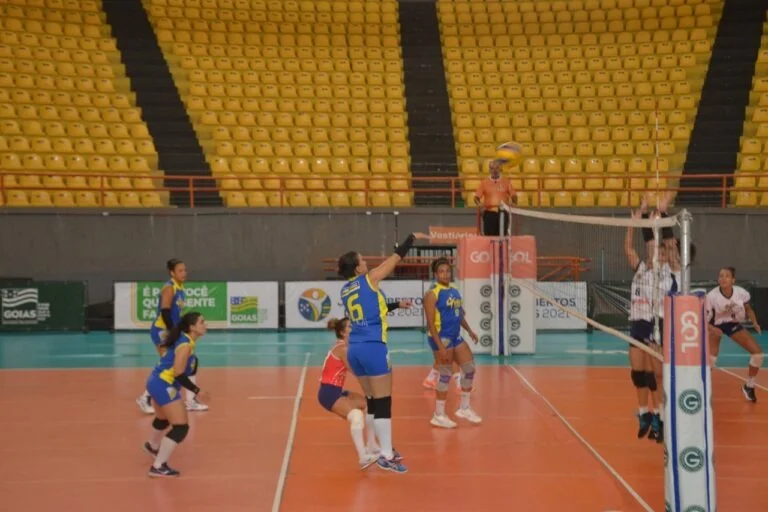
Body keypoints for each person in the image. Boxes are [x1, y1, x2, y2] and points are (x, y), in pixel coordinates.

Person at [337, 231, 429, 474]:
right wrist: (410, 239)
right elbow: (394, 259)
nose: (366, 263)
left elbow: (371, 310)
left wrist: (397, 305)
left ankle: (375, 446)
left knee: (372, 400)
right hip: (373, 346)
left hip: (354, 349)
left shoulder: (345, 291)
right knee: (384, 400)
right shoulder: (368, 279)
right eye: (362, 260)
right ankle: (386, 455)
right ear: (357, 268)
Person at [624, 209, 681, 443]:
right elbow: (628, 247)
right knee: (638, 374)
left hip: (655, 324)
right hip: (637, 325)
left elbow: (672, 249)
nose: (652, 252)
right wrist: (634, 223)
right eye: (650, 249)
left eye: (657, 251)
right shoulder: (640, 270)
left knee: (654, 374)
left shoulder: (669, 273)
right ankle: (644, 414)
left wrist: (662, 218)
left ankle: (660, 416)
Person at [143, 312, 210, 477]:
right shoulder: (185, 345)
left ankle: (152, 445)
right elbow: (179, 372)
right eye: (202, 322)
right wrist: (197, 391)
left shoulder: (187, 343)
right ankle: (158, 466)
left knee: (163, 419)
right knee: (180, 427)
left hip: (155, 381)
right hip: (163, 384)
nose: (205, 324)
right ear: (192, 327)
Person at [137, 259, 207, 414]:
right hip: (163, 330)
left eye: (185, 270)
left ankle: (189, 400)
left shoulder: (180, 288)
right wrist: (174, 334)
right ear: (172, 272)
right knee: (172, 364)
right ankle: (146, 397)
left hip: (172, 329)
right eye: (180, 270)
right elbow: (165, 312)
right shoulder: (169, 288)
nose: (184, 273)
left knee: (189, 360)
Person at [423, 257, 481, 428]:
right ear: (435, 274)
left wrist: (469, 331)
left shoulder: (455, 290)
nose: (445, 274)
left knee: (469, 368)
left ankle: (464, 408)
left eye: (448, 271)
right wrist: (440, 346)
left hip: (456, 336)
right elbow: (430, 323)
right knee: (446, 374)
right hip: (441, 337)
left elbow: (459, 315)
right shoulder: (432, 293)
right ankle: (438, 414)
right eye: (441, 271)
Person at [318, 317, 380, 470]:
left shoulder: (347, 346)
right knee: (356, 417)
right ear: (343, 332)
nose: (354, 328)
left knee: (369, 404)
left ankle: (371, 444)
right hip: (328, 393)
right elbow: (356, 371)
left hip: (337, 390)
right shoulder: (342, 349)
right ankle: (363, 457)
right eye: (350, 326)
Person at [707, 267, 763, 402]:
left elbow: (748, 308)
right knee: (711, 360)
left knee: (757, 354)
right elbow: (702, 320)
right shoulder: (711, 296)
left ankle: (749, 386)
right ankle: (701, 387)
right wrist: (712, 329)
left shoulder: (740, 292)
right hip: (714, 325)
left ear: (733, 280)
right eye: (721, 276)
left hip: (732, 324)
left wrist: (755, 322)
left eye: (727, 276)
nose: (723, 278)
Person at [473, 158, 516, 236]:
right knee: (489, 238)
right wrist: (480, 206)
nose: (495, 170)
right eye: (492, 168)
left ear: (500, 169)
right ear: (489, 170)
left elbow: (514, 195)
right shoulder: (484, 183)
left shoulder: (506, 182)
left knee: (502, 237)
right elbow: (476, 198)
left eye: (497, 168)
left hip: (503, 213)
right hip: (489, 214)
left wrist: (513, 203)